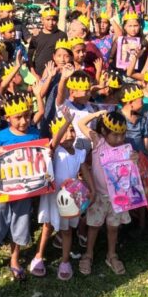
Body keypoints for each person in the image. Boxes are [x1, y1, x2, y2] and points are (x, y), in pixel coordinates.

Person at [0, 94, 43, 282]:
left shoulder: (35, 134)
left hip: (24, 193)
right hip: (1, 191)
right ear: (8, 118)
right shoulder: (1, 136)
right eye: (18, 117)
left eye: (27, 116)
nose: (24, 121)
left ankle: (14, 259)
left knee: (21, 224)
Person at [31, 113, 94, 281]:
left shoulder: (79, 152)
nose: (69, 134)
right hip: (53, 196)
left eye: (72, 130)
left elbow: (85, 171)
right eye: (64, 131)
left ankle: (65, 261)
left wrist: (92, 189)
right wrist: (66, 122)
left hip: (70, 200)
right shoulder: (55, 150)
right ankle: (38, 256)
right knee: (47, 228)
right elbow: (56, 140)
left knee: (67, 231)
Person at [79, 109, 138, 276]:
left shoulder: (127, 149)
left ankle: (111, 254)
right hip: (99, 195)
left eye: (122, 135)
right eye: (115, 135)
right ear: (104, 132)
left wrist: (135, 161)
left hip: (118, 197)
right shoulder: (98, 142)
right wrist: (98, 114)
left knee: (114, 227)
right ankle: (89, 254)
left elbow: (132, 173)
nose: (120, 139)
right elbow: (81, 124)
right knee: (94, 226)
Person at [27, 5, 67, 74]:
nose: (51, 23)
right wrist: (34, 74)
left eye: (53, 20)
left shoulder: (62, 35)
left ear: (57, 20)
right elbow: (29, 56)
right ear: (42, 20)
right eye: (48, 19)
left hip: (55, 72)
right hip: (38, 73)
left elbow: (65, 55)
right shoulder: (37, 35)